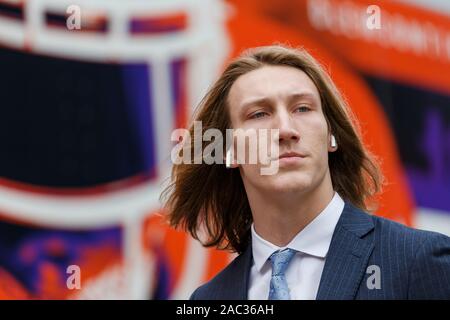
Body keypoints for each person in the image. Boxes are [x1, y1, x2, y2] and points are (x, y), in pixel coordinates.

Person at [161, 45, 450, 299]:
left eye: (302, 108)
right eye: (259, 114)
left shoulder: (419, 261)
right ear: (229, 151)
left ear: (330, 137)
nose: (286, 130)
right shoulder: (209, 298)